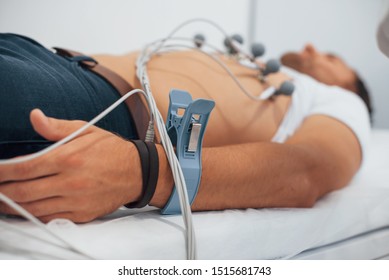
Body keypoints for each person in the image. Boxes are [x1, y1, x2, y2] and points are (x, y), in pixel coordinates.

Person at [0, 34, 370, 223]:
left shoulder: (341, 102)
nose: (311, 48)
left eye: (333, 59)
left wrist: (141, 171)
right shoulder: (262, 66)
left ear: (350, 86)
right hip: (48, 56)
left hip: (97, 105)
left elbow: (305, 170)